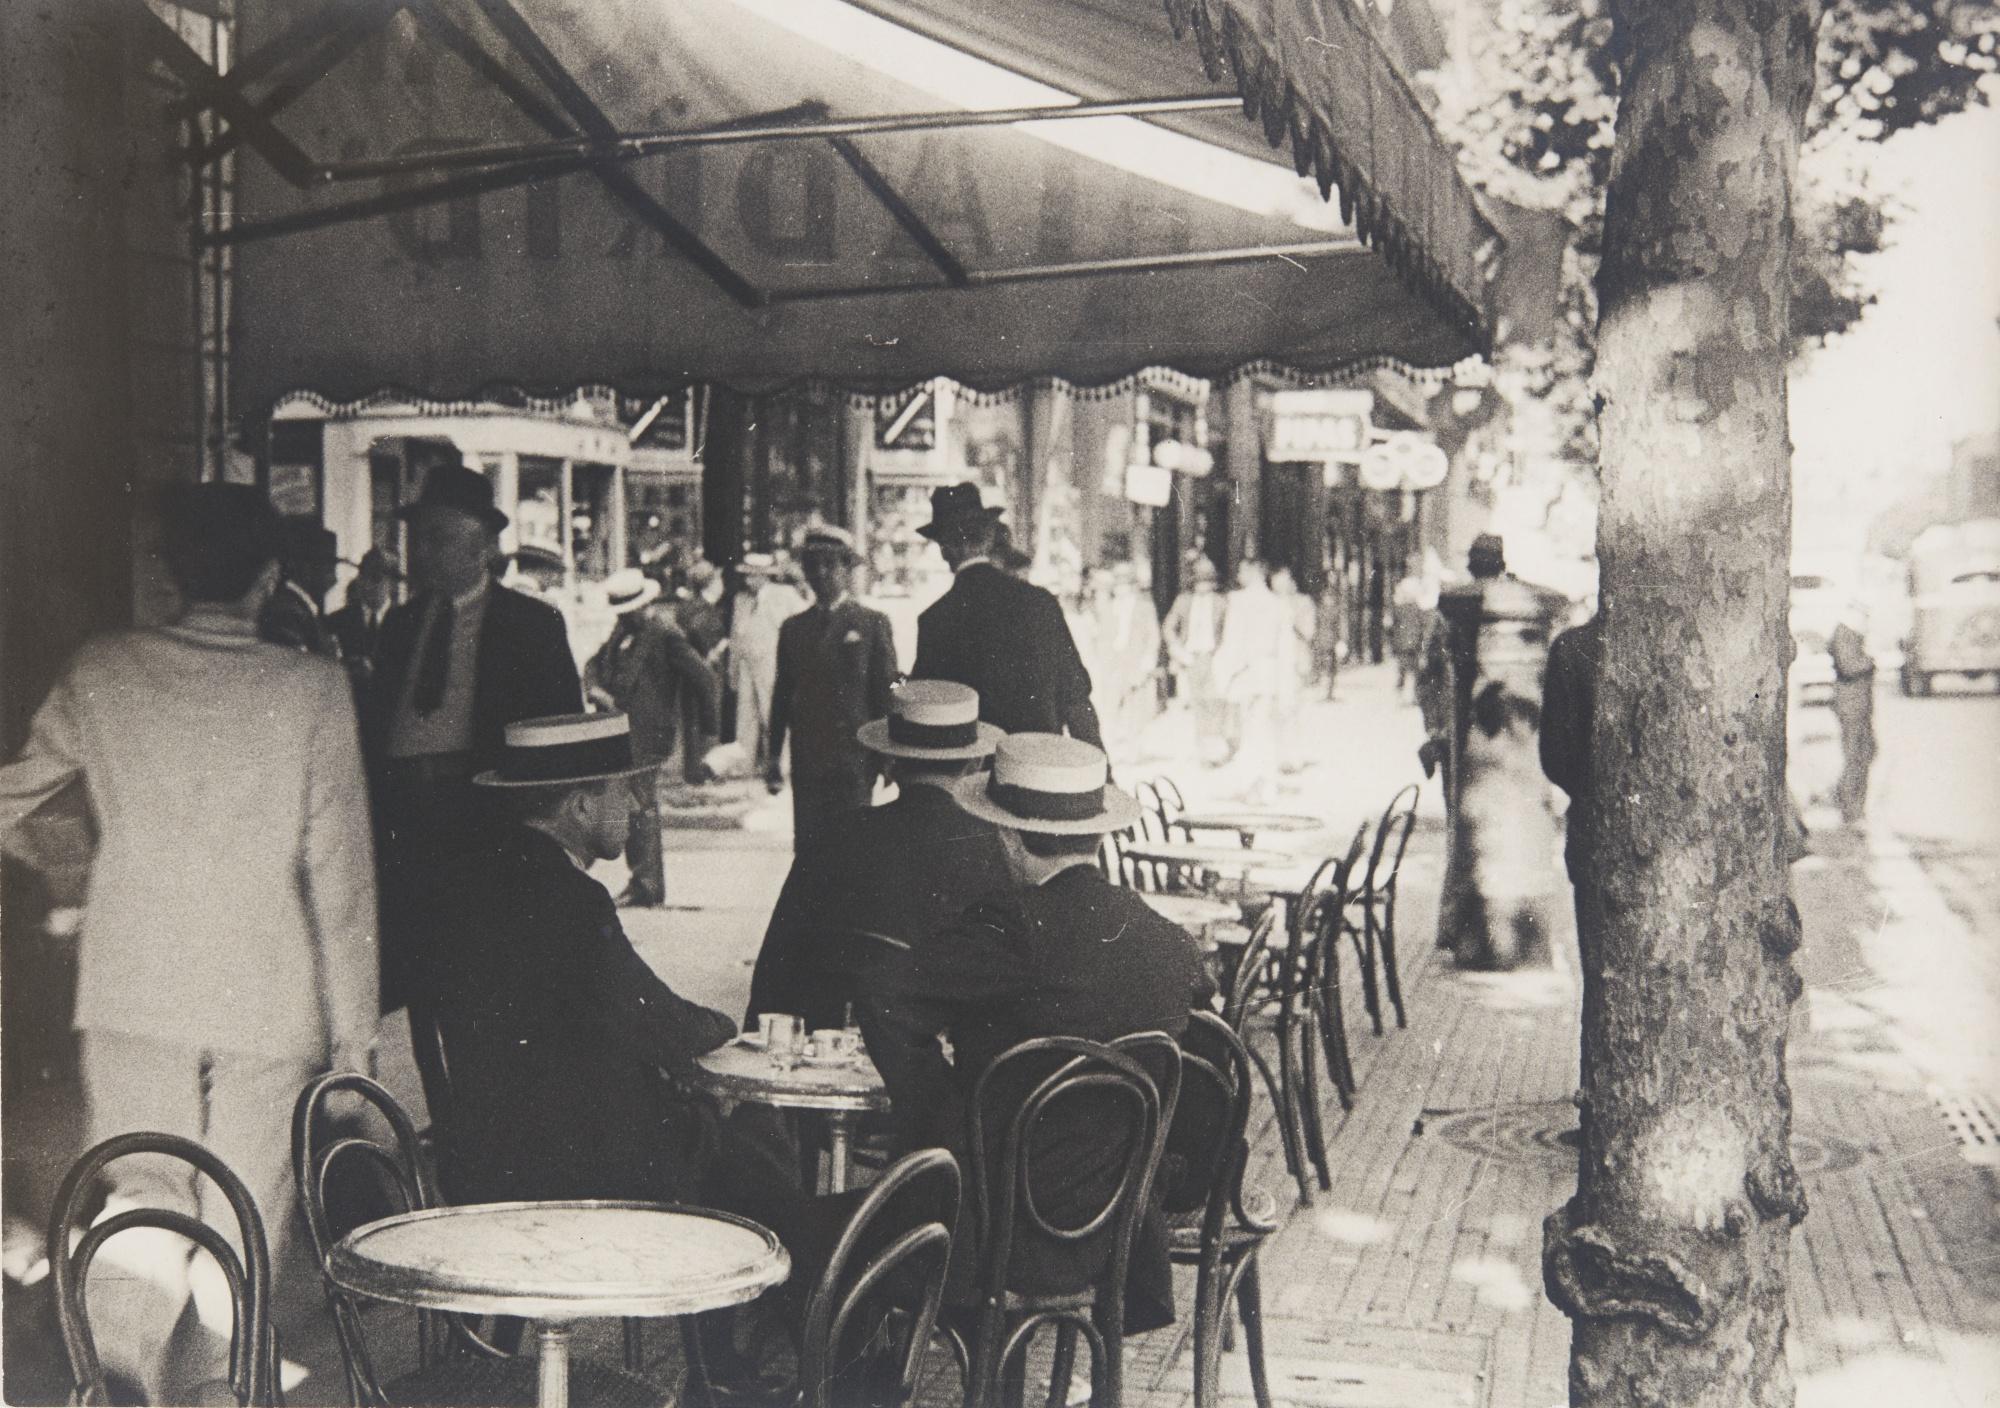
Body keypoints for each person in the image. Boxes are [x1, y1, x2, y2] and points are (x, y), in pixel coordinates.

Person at [0, 484, 377, 1403]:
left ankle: (117, 1383)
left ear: (168, 570)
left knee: (142, 1188)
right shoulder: (312, 688)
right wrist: (354, 1031)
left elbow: (15, 800)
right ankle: (220, 1389)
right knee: (247, 1199)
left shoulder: (104, 669)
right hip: (268, 988)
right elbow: (341, 871)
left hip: (134, 979)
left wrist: (83, 872)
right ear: (271, 577)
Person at [860, 732, 1216, 1332]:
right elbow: (1206, 1043)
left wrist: (940, 1115)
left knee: (827, 1235)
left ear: (1008, 837)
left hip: (986, 1232)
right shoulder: (1168, 942)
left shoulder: (1009, 928)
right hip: (1117, 1238)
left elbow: (884, 994)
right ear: (1098, 833)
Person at [428, 712, 737, 1204]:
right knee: (747, 1136)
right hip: (575, 1170)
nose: (638, 805)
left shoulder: (479, 884)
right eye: (624, 790)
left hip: (485, 1159)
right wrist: (726, 1027)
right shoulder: (571, 897)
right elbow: (658, 1021)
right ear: (581, 807)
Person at [364, 457, 581, 1028]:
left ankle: (478, 1110)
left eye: (440, 538)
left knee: (484, 987)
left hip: (482, 821)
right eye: (420, 537)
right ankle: (444, 1107)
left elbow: (560, 739)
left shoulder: (531, 625)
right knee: (422, 986)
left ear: (482, 543)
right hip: (408, 823)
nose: (424, 552)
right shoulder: (399, 627)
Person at [746, 679, 1010, 1029]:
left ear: (889, 761)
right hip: (940, 1062)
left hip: (832, 1037)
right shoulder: (999, 849)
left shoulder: (834, 835)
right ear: (975, 764)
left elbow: (776, 966)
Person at [911, 482, 1104, 750]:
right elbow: (1076, 700)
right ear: (989, 539)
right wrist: (1102, 775)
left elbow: (925, 715)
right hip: (1042, 770)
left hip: (972, 778)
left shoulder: (935, 620)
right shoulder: (1041, 603)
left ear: (944, 549)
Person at [585, 568, 719, 907]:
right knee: (634, 804)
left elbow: (704, 678)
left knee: (641, 804)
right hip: (622, 730)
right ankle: (642, 880)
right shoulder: (623, 632)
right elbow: (595, 663)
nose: (623, 617)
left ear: (641, 605)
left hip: (649, 732)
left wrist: (709, 733)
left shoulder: (664, 634)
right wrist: (595, 687)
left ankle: (647, 884)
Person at [766, 525, 900, 851]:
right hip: (808, 759)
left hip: (854, 760)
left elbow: (885, 693)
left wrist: (889, 757)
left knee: (853, 851)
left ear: (846, 568)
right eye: (812, 566)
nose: (820, 574)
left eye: (830, 564)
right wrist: (772, 757)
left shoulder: (871, 623)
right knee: (810, 853)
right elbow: (782, 695)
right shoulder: (793, 628)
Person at [729, 552, 806, 772]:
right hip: (746, 663)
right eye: (746, 575)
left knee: (772, 713)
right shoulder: (741, 600)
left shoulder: (784, 595)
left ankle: (780, 765)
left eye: (753, 575)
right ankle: (743, 766)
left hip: (771, 662)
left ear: (764, 576)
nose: (748, 580)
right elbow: (736, 637)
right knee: (745, 715)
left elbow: (802, 620)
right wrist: (732, 671)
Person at [1090, 560, 1164, 755]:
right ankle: (1110, 748)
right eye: (1119, 584)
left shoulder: (1144, 607)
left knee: (1136, 708)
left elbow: (1153, 635)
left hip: (1135, 662)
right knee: (1111, 706)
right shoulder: (1109, 607)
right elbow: (1103, 637)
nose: (1121, 589)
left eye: (1126, 584)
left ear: (1133, 586)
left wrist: (1147, 662)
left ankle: (1134, 748)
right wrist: (1104, 660)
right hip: (1113, 663)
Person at [1163, 556, 1229, 765]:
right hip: (1190, 657)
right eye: (1200, 581)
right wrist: (1176, 648)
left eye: (1207, 581)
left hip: (1212, 656)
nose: (1203, 586)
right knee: (1198, 702)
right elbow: (1168, 627)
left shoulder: (1221, 603)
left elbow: (1229, 630)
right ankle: (1203, 749)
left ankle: (1215, 748)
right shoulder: (1183, 601)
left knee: (1215, 701)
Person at [676, 559, 730, 782]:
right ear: (711, 583)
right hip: (706, 670)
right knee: (710, 719)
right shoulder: (704, 609)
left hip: (688, 672)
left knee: (692, 721)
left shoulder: (687, 606)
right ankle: (708, 770)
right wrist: (718, 647)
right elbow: (699, 631)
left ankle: (693, 771)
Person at [257, 514, 340, 657]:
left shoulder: (301, 607)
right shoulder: (287, 612)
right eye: (328, 565)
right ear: (306, 567)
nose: (334, 577)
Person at [1828, 602, 1878, 825]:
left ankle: (1851, 803)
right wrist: (1870, 662)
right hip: (1852, 705)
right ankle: (1851, 807)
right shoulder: (1846, 634)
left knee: (1863, 753)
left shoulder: (1847, 634)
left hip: (1856, 705)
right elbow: (1849, 666)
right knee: (1855, 756)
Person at [327, 547, 397, 687]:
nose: (367, 584)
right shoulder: (336, 621)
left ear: (392, 583)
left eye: (376, 578)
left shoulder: (405, 622)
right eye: (363, 576)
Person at [1270, 567, 1317, 772]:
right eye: (1275, 581)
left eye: (1283, 580)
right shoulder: (1267, 604)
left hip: (1294, 663)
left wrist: (1289, 617)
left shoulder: (1303, 603)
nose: (1279, 585)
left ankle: (1294, 756)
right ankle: (1278, 755)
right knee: (1274, 712)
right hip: (1273, 664)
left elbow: (1308, 631)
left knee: (1293, 710)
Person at [1390, 573, 1427, 699]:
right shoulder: (1418, 608)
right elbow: (1422, 626)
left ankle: (1401, 692)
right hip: (1415, 642)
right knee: (1415, 670)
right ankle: (1414, 695)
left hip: (1403, 642)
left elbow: (1393, 626)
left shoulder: (1399, 608)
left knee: (1403, 668)